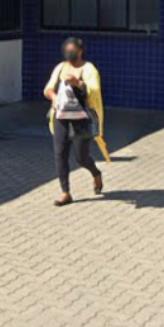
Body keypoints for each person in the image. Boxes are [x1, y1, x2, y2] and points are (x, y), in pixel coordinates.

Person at [42, 37, 104, 207]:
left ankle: (96, 173)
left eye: (73, 50)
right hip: (61, 116)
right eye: (67, 50)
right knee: (60, 153)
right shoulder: (60, 68)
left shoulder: (89, 69)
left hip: (81, 118)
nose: (69, 53)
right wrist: (53, 96)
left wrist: (77, 83)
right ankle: (65, 192)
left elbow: (94, 90)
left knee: (81, 157)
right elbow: (48, 88)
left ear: (80, 51)